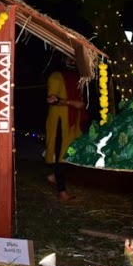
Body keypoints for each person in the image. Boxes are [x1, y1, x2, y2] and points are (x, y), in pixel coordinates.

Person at [44, 57, 87, 201]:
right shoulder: (56, 76)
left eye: (74, 60)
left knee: (70, 152)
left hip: (72, 121)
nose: (72, 62)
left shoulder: (76, 78)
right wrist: (71, 102)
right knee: (61, 154)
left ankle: (54, 176)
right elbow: (52, 100)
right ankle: (62, 192)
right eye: (69, 59)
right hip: (60, 122)